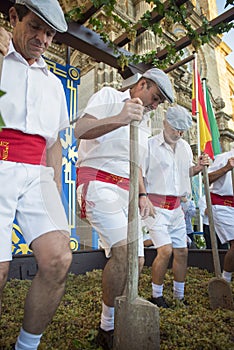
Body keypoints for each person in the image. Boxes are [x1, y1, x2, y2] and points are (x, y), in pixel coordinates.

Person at [74, 68, 174, 349]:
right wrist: (120, 118)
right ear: (142, 84)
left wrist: (142, 194)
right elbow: (80, 130)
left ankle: (115, 317)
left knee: (137, 260)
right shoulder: (109, 95)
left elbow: (136, 165)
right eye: (154, 98)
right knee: (125, 252)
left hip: (128, 193)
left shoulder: (142, 123)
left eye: (158, 103)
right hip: (98, 183)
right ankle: (106, 328)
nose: (155, 106)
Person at [0, 1, 73, 349]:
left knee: (59, 258)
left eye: (49, 33)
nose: (43, 38)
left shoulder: (54, 84)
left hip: (37, 172)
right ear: (14, 17)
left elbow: (55, 140)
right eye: (35, 26)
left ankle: (26, 346)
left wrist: (55, 185)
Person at [142, 105, 210, 308]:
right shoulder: (150, 145)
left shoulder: (185, 147)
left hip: (177, 209)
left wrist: (198, 167)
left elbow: (185, 172)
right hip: (155, 208)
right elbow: (140, 174)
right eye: (175, 128)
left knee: (182, 252)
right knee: (165, 250)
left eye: (182, 130)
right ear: (165, 123)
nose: (178, 133)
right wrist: (141, 197)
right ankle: (156, 295)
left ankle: (179, 296)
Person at [208, 149, 234, 283]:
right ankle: (225, 280)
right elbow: (206, 179)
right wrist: (227, 168)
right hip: (223, 205)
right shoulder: (223, 158)